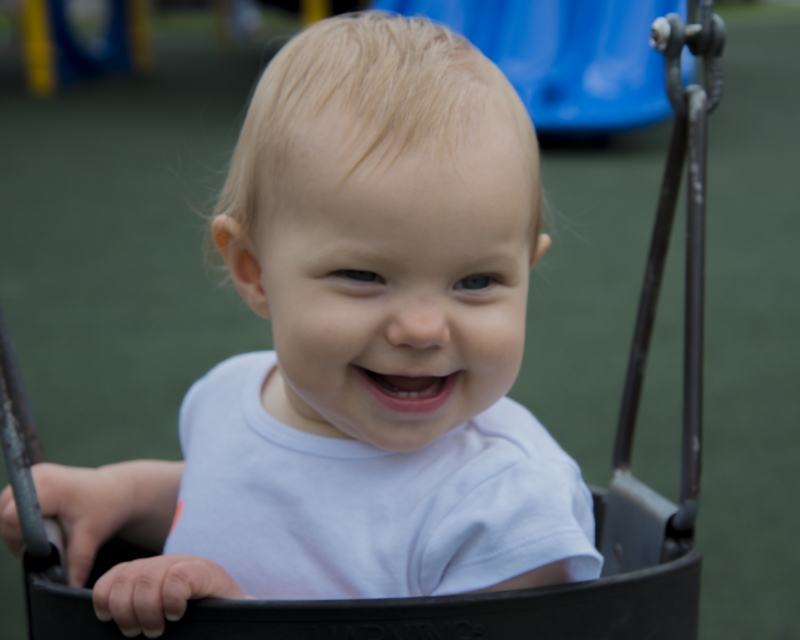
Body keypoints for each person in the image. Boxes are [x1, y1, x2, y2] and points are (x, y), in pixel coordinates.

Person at [0, 11, 603, 639]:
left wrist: (240, 618)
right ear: (255, 272)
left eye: (476, 282)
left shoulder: (507, 503)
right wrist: (118, 494)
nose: (424, 329)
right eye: (364, 276)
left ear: (528, 271)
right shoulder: (228, 396)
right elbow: (231, 487)